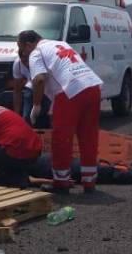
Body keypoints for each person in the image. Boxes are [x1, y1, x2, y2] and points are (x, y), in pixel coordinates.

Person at [17, 30, 104, 193]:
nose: (23, 54)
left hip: (70, 91)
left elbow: (39, 79)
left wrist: (36, 105)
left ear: (29, 44)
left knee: (61, 138)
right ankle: (89, 181)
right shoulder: (60, 44)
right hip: (92, 86)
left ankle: (61, 182)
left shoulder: (36, 52)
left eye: (22, 49)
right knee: (89, 136)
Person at [12, 48, 51, 128]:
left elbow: (40, 80)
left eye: (28, 60)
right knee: (27, 115)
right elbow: (17, 90)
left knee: (49, 115)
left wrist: (37, 105)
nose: (27, 63)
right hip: (32, 87)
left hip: (49, 87)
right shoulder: (18, 64)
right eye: (24, 61)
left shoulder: (44, 61)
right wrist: (16, 114)